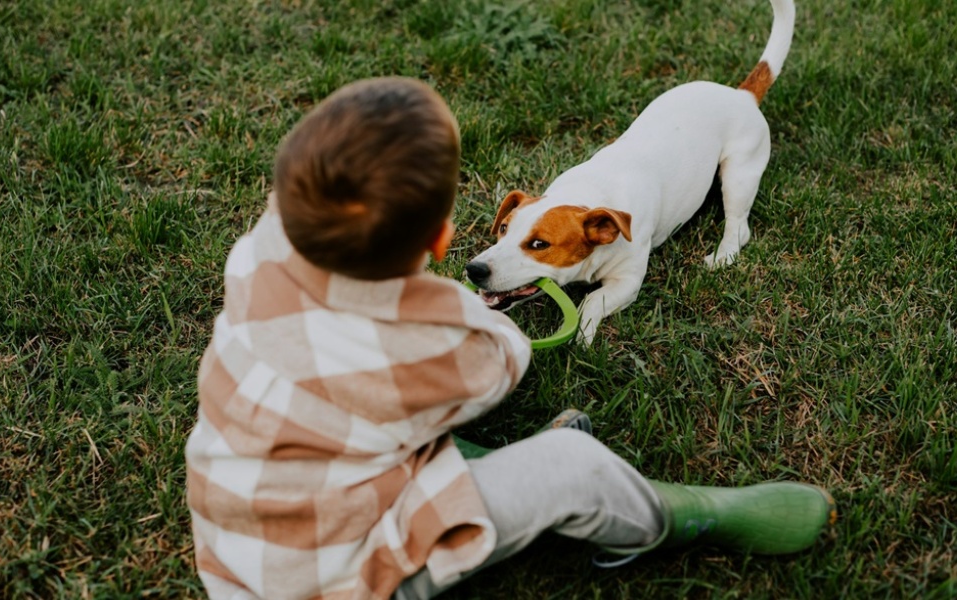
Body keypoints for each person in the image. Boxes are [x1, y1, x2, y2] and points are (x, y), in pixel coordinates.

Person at [184, 77, 835, 600]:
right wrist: (474, 312)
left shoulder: (250, 262)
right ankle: (678, 514)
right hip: (344, 577)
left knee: (377, 424)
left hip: (230, 548)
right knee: (568, 469)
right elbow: (505, 362)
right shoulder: (435, 344)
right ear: (442, 240)